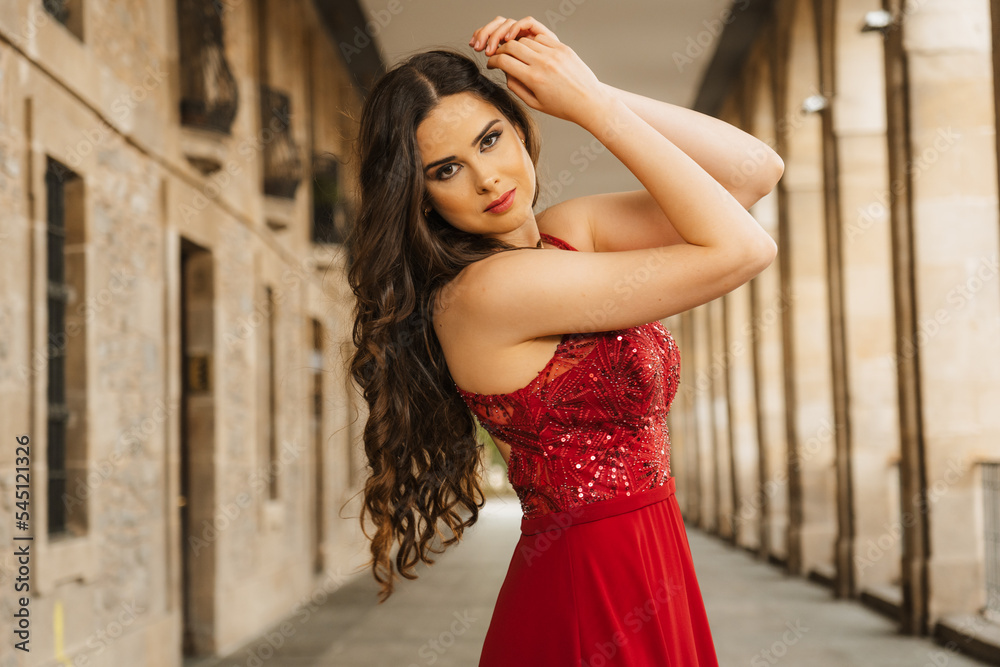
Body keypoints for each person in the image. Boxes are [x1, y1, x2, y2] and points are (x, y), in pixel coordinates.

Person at [345, 14, 782, 666]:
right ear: (421, 198)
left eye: (492, 139)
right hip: (589, 589)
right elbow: (743, 248)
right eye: (446, 169)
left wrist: (591, 89)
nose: (488, 178)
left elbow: (753, 170)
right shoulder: (487, 293)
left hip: (652, 561)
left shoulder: (568, 231)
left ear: (523, 128)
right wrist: (596, 113)